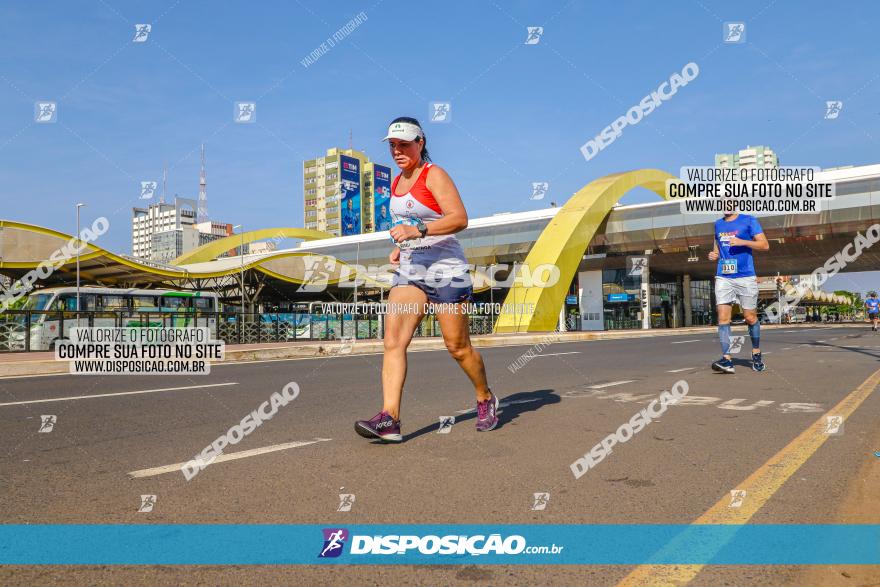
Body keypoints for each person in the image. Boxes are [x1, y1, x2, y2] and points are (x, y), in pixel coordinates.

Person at [354, 117, 497, 442]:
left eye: (404, 144)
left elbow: (459, 218)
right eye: (392, 145)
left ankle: (485, 396)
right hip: (412, 268)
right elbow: (407, 223)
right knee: (393, 341)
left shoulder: (434, 175)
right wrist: (400, 246)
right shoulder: (395, 183)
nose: (397, 151)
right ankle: (390, 418)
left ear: (420, 143)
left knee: (458, 348)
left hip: (446, 269)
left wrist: (416, 231)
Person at [708, 212, 770, 373]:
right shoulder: (718, 224)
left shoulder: (749, 220)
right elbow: (717, 245)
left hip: (745, 276)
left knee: (750, 317)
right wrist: (714, 254)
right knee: (722, 318)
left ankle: (756, 352)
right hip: (723, 276)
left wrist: (741, 241)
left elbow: (764, 245)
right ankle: (727, 359)